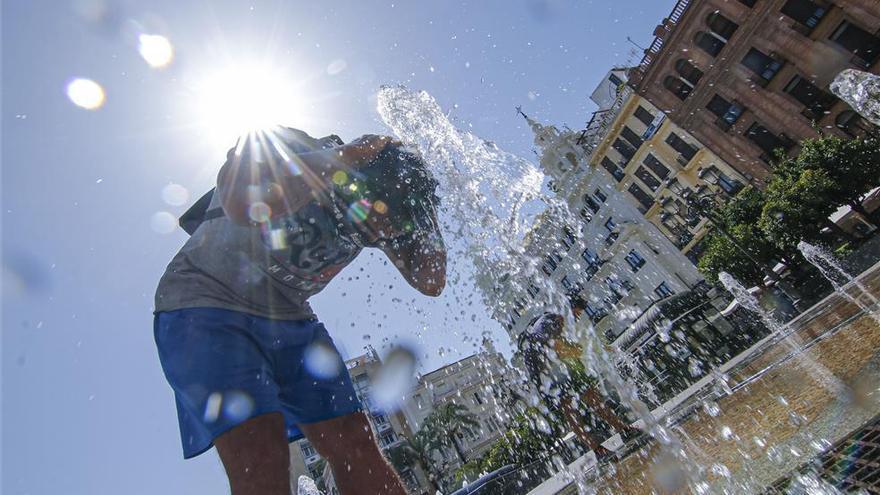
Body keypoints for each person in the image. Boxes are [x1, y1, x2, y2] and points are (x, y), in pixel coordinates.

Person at [153, 126, 446, 495]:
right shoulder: (289, 146)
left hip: (289, 316)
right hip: (206, 304)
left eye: (389, 230)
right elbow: (239, 202)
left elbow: (430, 281)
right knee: (262, 457)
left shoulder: (384, 211)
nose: (377, 233)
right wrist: (351, 155)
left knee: (354, 442)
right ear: (359, 183)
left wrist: (423, 216)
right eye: (374, 221)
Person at [517, 294, 639, 461]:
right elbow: (560, 349)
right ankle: (598, 450)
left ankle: (624, 430)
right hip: (545, 375)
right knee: (570, 410)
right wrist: (590, 350)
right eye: (575, 314)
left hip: (557, 367)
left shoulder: (553, 321)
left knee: (592, 395)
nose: (575, 318)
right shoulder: (549, 321)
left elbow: (568, 347)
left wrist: (600, 348)